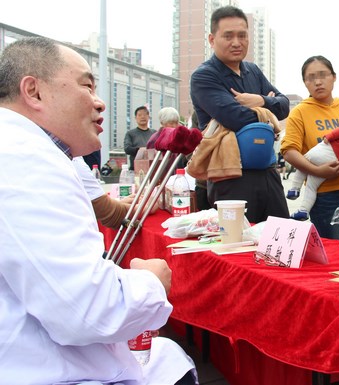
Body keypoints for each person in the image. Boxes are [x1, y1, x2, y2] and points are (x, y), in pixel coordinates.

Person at [0, 37, 196, 384]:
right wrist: (151, 281)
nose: (99, 101)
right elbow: (84, 309)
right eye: (86, 85)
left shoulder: (38, 153)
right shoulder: (26, 160)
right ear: (34, 92)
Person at [190, 6, 290, 223]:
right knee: (238, 247)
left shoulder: (252, 70)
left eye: (242, 35)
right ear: (212, 39)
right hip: (230, 175)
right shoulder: (204, 76)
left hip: (267, 170)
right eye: (228, 36)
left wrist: (260, 101)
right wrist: (268, 114)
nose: (237, 42)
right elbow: (235, 118)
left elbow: (284, 106)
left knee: (281, 239)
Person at [280, 55, 339, 239]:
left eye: (323, 75)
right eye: (311, 78)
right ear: (304, 82)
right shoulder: (300, 112)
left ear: (334, 77)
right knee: (330, 249)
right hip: (324, 196)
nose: (318, 82)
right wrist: (317, 171)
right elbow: (289, 151)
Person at [285, 124, 339, 222]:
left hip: (330, 150)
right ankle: (304, 210)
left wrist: (330, 136)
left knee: (304, 161)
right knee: (312, 186)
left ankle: (295, 188)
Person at [124, 105, 156, 170]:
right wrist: (141, 150)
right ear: (136, 118)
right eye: (139, 115)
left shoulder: (154, 133)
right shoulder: (130, 133)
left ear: (148, 117)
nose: (142, 117)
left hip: (152, 168)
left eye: (145, 115)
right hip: (135, 168)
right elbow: (127, 149)